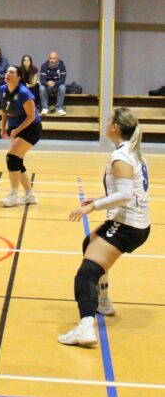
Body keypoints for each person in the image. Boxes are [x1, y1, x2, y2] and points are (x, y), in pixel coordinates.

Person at [59, 108, 150, 347]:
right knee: (89, 242)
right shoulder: (133, 152)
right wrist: (99, 198)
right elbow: (129, 192)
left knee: (86, 274)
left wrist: (94, 206)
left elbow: (125, 195)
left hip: (127, 225)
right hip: (136, 223)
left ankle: (85, 327)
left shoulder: (121, 157)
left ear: (115, 127)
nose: (106, 123)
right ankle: (103, 302)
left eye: (109, 120)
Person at [0, 64, 42, 207]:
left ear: (18, 77)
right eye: (7, 72)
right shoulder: (3, 89)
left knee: (11, 157)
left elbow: (31, 116)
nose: (8, 74)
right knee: (16, 160)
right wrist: (3, 128)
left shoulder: (24, 93)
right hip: (15, 128)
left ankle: (13, 195)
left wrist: (17, 130)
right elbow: (4, 110)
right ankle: (30, 195)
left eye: (11, 72)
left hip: (31, 129)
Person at [39, 50, 67, 115]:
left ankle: (59, 108)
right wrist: (47, 83)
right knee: (41, 87)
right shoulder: (44, 66)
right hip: (47, 87)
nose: (52, 60)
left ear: (57, 59)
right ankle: (45, 108)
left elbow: (62, 80)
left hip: (57, 87)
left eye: (54, 58)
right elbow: (42, 80)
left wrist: (55, 83)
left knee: (63, 87)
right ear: (48, 59)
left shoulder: (62, 66)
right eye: (50, 58)